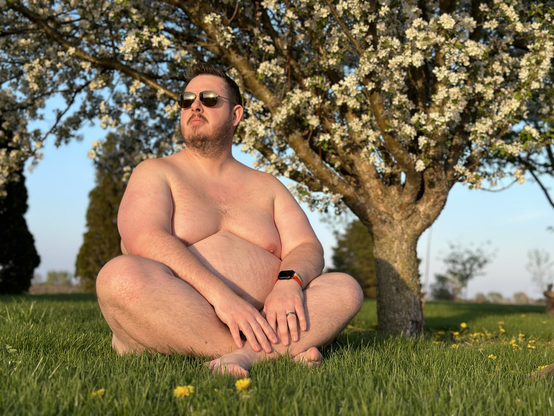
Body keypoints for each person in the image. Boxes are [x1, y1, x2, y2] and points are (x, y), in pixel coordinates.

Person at [96, 63, 364, 377]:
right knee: (118, 278)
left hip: (266, 312)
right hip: (182, 311)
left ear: (235, 115)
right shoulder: (155, 172)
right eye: (187, 100)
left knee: (344, 288)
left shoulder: (268, 186)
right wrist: (224, 299)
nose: (195, 106)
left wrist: (288, 284)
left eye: (209, 99)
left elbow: (306, 247)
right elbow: (143, 238)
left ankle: (244, 356)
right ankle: (274, 351)